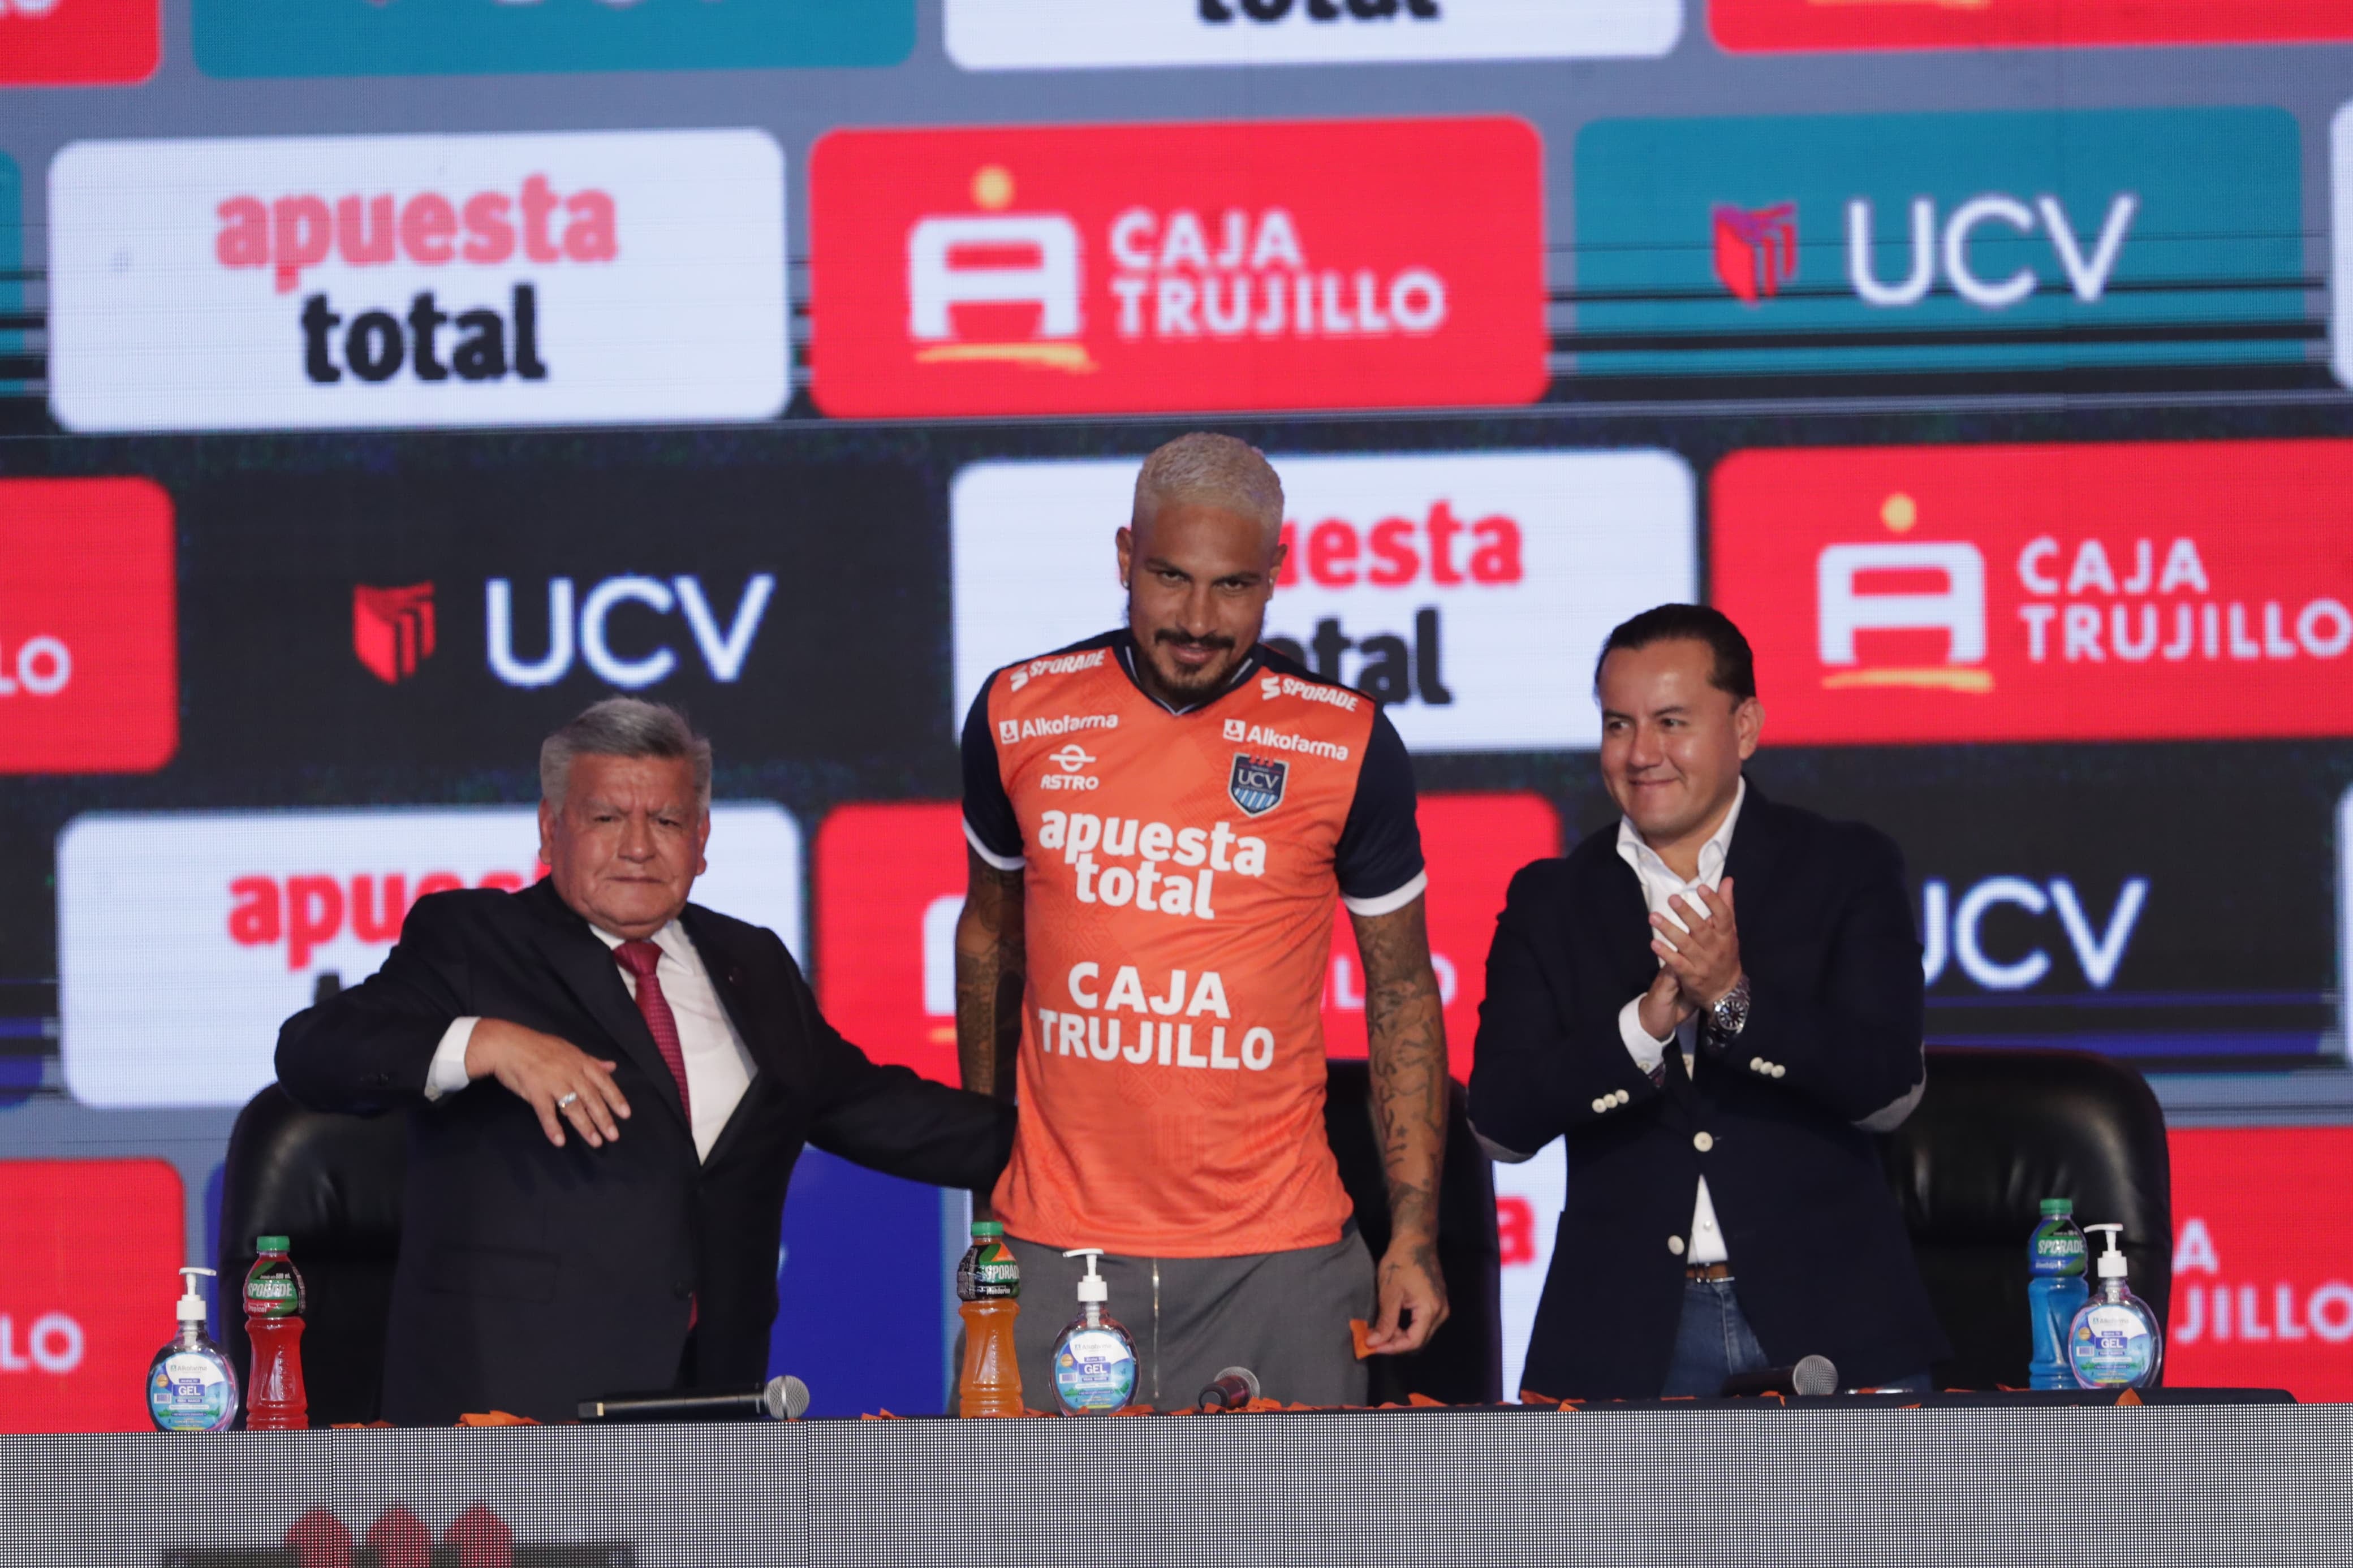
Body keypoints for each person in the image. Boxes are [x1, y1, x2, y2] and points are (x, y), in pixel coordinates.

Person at [276, 698, 1015, 1424]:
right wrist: (484, 1041)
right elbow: (314, 1052)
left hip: (712, 1406)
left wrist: (1076, 1139)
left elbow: (881, 1110)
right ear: (550, 827)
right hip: (512, 1415)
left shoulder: (752, 962)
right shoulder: (472, 939)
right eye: (606, 818)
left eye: (665, 821)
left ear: (701, 837)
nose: (637, 845)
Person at [955, 432, 1450, 1408]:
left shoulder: (1344, 740)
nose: (1194, 619)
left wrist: (1417, 1233)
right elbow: (991, 938)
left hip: (1279, 1261)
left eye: (1231, 587)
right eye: (1167, 577)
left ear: (1277, 573)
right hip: (1054, 1247)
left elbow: (1399, 986)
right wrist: (986, 1175)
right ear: (1123, 557)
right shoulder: (1019, 713)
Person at [1468, 605, 1947, 1399]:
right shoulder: (1551, 899)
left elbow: (1889, 1089)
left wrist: (1732, 1000)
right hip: (1621, 1338)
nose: (1641, 753)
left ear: (1746, 726)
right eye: (1618, 724)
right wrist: (1640, 1031)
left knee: (1876, 1532)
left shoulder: (1844, 866)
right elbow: (1499, 1123)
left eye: (1672, 721)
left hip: (1834, 1324)